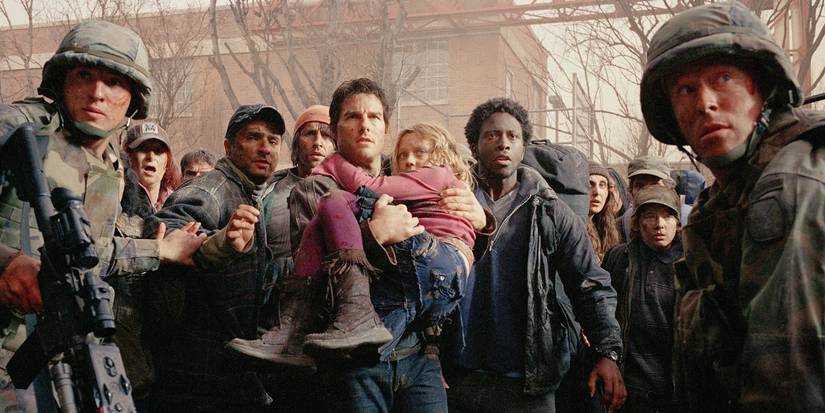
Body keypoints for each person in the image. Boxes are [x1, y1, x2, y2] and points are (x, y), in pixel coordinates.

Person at [0, 20, 205, 412]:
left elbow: (91, 251)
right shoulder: (17, 129)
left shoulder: (112, 168)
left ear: (133, 99)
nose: (97, 92)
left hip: (57, 364)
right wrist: (5, 264)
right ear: (61, 81)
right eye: (84, 75)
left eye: (114, 83)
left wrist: (159, 251)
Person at [639, 1, 825, 411]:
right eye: (685, 89)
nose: (704, 102)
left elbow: (789, 384)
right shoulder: (727, 197)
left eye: (723, 78)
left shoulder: (787, 186)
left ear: (762, 87)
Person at [286, 78, 488, 412]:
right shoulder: (313, 188)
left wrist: (481, 222)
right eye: (352, 117)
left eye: (374, 117)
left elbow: (445, 255)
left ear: (385, 127)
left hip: (419, 355)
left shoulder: (408, 176)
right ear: (335, 131)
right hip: (357, 363)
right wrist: (373, 236)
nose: (364, 125)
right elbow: (310, 279)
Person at [444, 97, 625, 413]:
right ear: (473, 145)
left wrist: (607, 352)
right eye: (492, 135)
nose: (503, 144)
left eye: (512, 137)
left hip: (528, 380)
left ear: (523, 146)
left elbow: (590, 282)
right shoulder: (453, 201)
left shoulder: (549, 210)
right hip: (459, 376)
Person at [143, 104, 286, 412]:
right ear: (228, 146)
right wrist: (220, 244)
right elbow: (171, 239)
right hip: (195, 377)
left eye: (273, 141)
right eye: (254, 137)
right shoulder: (211, 190)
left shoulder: (247, 192)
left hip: (225, 371)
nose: (265, 148)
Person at [601, 185, 683, 413]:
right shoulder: (619, 258)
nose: (659, 224)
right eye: (650, 216)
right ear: (636, 223)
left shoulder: (691, 264)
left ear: (678, 222)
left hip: (674, 388)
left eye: (667, 216)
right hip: (630, 387)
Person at [123, 122, 181, 211]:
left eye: (158, 151)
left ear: (166, 163)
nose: (151, 157)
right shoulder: (116, 201)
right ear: (128, 157)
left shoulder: (179, 206)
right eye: (143, 149)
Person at [616, 156, 672, 242]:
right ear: (631, 191)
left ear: (669, 189)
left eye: (655, 185)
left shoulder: (685, 225)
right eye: (640, 186)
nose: (648, 192)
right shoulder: (618, 229)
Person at [588, 161, 621, 262]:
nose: (597, 192)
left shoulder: (606, 227)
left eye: (602, 185)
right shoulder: (575, 228)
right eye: (590, 184)